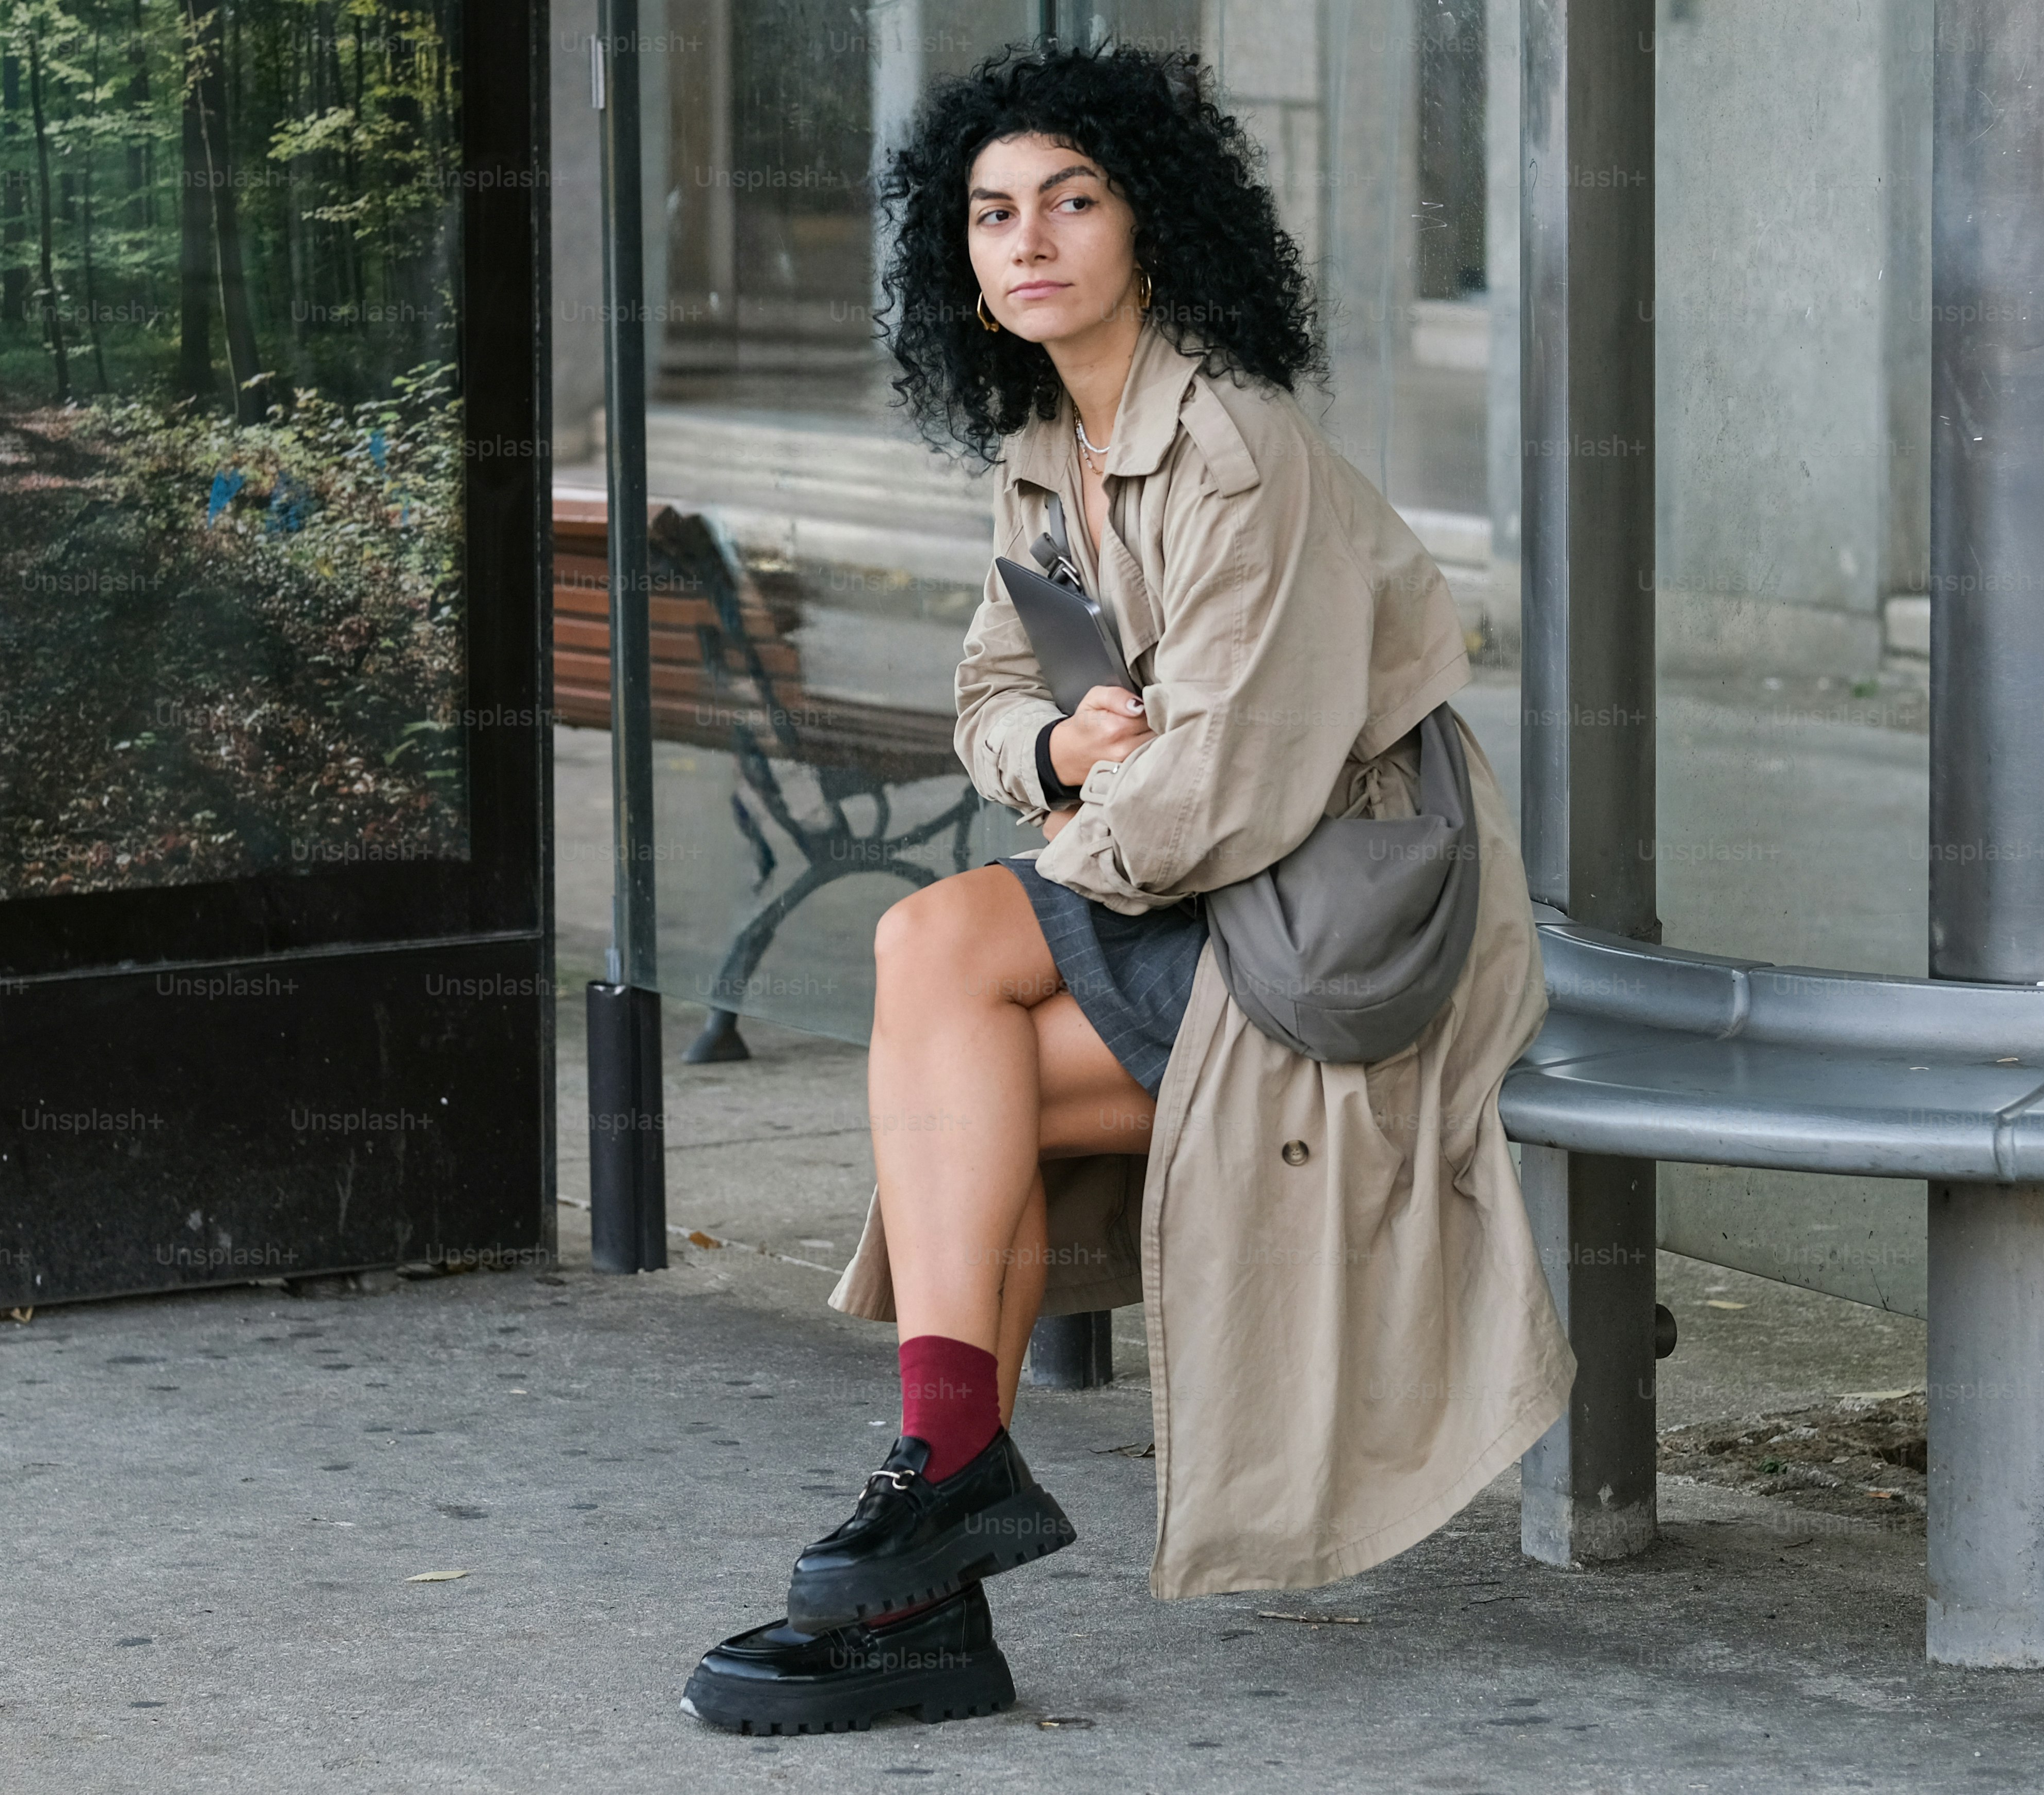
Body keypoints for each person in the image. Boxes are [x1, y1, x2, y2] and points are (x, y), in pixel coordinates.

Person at [682, 41, 1572, 1736]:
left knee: (940, 961)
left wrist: (1062, 833)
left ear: (1148, 224)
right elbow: (985, 698)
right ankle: (931, 1546)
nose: (1027, 241)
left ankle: (934, 1517)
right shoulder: (1044, 441)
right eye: (990, 213)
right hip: (1203, 887)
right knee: (973, 1070)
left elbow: (1231, 788)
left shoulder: (1232, 448)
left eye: (1070, 202)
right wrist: (1059, 749)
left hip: (1337, 925)